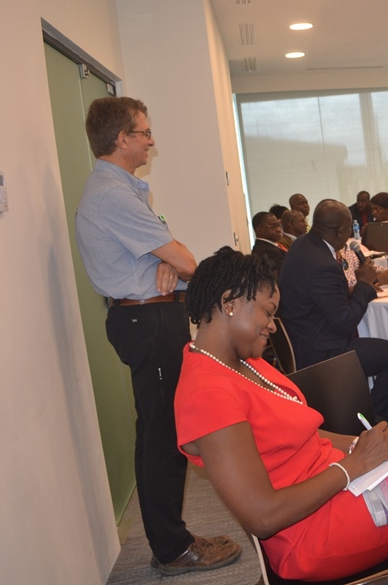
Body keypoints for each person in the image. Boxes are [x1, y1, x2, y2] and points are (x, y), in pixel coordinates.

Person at [175, 247, 388, 582]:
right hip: (312, 534)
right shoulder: (207, 394)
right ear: (230, 302)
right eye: (268, 312)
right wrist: (355, 464)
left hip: (339, 489)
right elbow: (263, 517)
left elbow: (298, 432)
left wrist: (359, 444)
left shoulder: (243, 363)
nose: (273, 326)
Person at [74, 97, 241, 575]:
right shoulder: (112, 194)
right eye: (144, 132)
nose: (151, 141)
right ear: (121, 138)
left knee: (158, 431)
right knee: (163, 435)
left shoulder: (124, 191)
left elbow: (174, 259)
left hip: (150, 316)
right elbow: (186, 260)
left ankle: (172, 539)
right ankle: (172, 549)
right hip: (145, 321)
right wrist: (171, 260)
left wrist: (167, 261)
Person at [278, 200, 388, 423]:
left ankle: (367, 416)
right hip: (324, 353)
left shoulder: (302, 245)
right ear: (340, 231)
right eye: (349, 229)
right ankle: (372, 421)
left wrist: (355, 288)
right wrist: (364, 284)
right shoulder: (323, 264)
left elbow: (322, 296)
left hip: (303, 339)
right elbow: (346, 322)